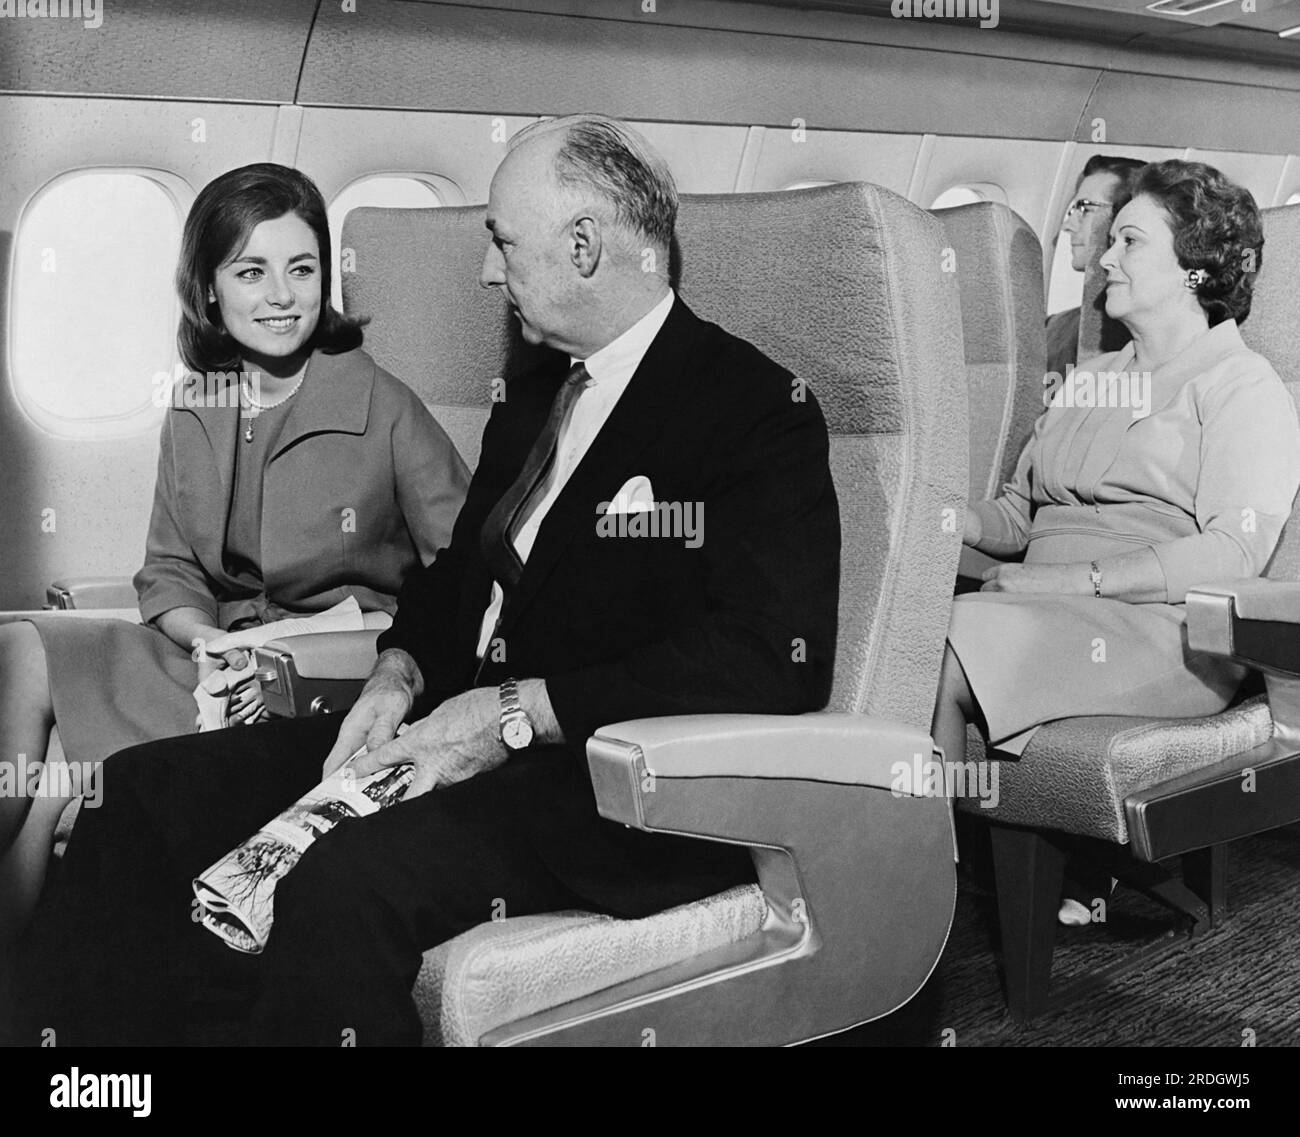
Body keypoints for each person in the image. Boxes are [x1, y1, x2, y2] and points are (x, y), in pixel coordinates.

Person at [12, 115, 840, 1046]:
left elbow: (773, 657)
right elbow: (457, 579)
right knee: (136, 796)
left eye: (500, 241)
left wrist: (515, 711)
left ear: (583, 244)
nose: (489, 273)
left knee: (336, 880)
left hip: (589, 781)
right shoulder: (535, 393)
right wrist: (398, 671)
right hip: (435, 723)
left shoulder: (754, 410)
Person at [0, 163, 469, 943]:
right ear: (210, 289)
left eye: (302, 268)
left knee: (58, 782)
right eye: (252, 271)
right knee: (18, 646)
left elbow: (463, 579)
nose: (281, 296)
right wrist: (205, 637)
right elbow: (171, 569)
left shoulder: (385, 408)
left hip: (318, 678)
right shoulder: (196, 403)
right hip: (211, 658)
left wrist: (369, 660)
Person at [933, 159, 1300, 923]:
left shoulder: (1243, 387)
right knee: (900, 619)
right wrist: (935, 518)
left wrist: (1072, 583)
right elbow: (1019, 514)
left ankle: (916, 900)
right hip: (1045, 607)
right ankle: (920, 865)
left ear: (1195, 268)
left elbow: (1233, 553)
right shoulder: (1094, 375)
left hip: (1165, 632)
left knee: (938, 641)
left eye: (1130, 240)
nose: (1104, 257)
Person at [1045, 155, 1147, 378]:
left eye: (1085, 208)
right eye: (1073, 211)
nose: (1067, 225)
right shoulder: (1054, 326)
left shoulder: (1147, 330)